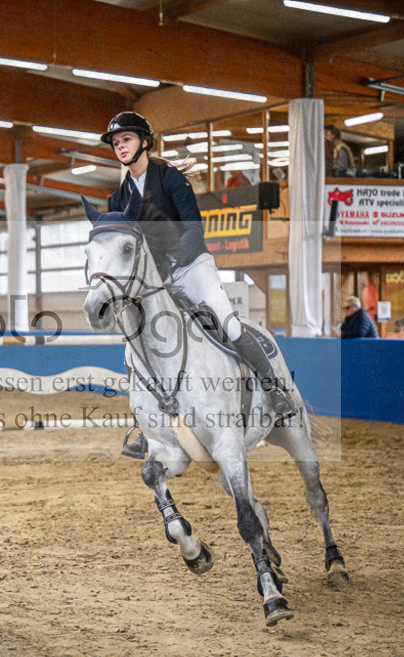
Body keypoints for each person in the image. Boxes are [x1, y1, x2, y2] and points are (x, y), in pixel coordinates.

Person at [100, 112, 294, 458]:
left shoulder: (170, 179)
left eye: (126, 139)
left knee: (228, 323)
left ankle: (274, 390)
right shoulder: (118, 199)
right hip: (156, 278)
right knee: (135, 345)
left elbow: (194, 228)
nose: (120, 146)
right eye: (116, 143)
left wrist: (174, 259)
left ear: (144, 142)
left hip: (192, 265)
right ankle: (147, 425)